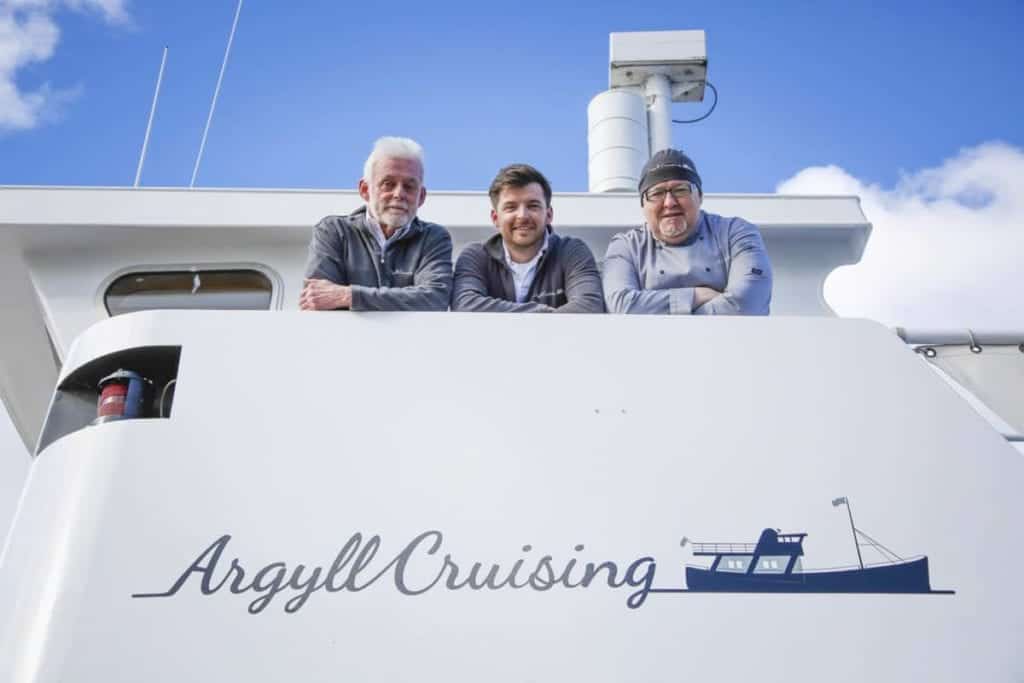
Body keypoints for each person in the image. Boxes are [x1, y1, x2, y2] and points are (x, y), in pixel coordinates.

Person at [602, 148, 772, 315]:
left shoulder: (735, 233)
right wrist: (696, 296)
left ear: (700, 196)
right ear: (643, 205)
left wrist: (654, 311)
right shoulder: (626, 246)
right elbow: (620, 305)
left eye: (680, 190)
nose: (669, 202)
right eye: (657, 193)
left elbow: (748, 303)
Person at [300, 137, 452, 311]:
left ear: (421, 197)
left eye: (409, 186)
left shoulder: (433, 238)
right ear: (365, 190)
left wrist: (349, 296)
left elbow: (435, 299)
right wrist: (405, 299)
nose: (399, 194)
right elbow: (317, 300)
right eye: (388, 184)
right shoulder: (334, 231)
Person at [451, 164, 604, 313]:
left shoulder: (572, 252)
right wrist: (542, 313)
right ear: (495, 218)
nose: (522, 216)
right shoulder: (476, 256)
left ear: (549, 215)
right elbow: (465, 305)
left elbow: (589, 306)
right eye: (511, 207)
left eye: (533, 206)